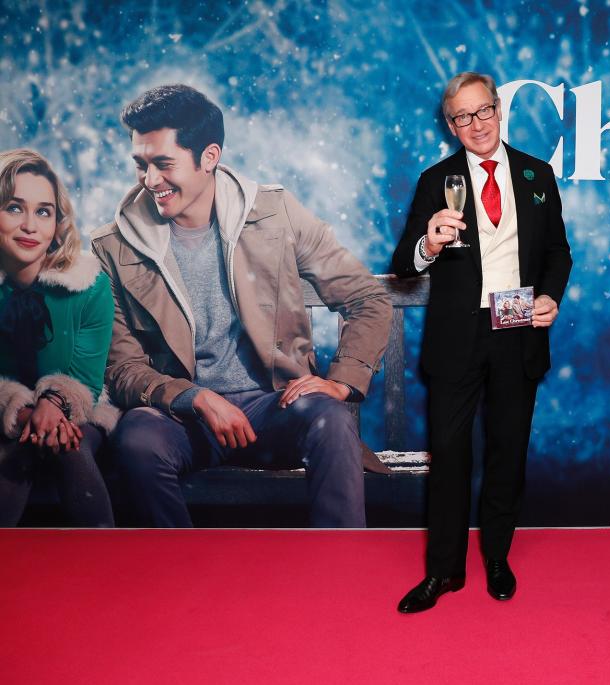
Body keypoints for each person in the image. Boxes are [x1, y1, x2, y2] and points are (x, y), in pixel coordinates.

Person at [91, 85, 391, 527]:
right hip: (184, 418)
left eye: (163, 164)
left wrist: (343, 382)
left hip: (275, 407)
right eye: (142, 164)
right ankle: (177, 579)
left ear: (209, 157)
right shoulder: (113, 246)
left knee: (330, 417)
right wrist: (195, 398)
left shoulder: (275, 213)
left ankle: (342, 573)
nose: (150, 180)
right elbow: (122, 368)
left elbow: (367, 298)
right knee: (137, 438)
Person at [391, 72, 572, 612]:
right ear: (451, 126)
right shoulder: (435, 179)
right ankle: (443, 572)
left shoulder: (537, 175)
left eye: (483, 111)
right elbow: (403, 265)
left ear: (499, 110)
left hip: (516, 324)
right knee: (448, 454)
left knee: (506, 449)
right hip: (458, 334)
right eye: (462, 117)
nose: (476, 124)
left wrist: (550, 298)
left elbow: (559, 253)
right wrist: (427, 242)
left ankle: (496, 555)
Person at [0, 148, 118, 527]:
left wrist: (53, 404)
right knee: (18, 450)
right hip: (5, 416)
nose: (30, 226)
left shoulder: (89, 285)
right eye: (15, 208)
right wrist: (22, 410)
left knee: (69, 445)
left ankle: (107, 572)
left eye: (43, 212)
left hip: (80, 411)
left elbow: (86, 377)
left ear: (57, 223)